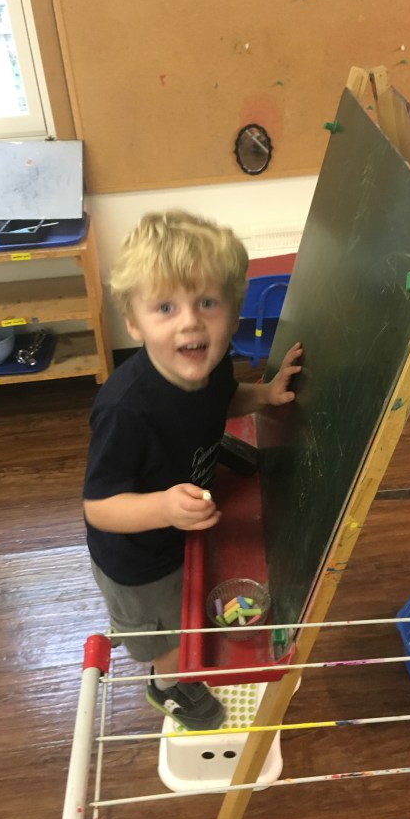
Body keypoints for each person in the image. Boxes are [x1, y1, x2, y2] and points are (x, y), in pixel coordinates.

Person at [83, 210, 302, 731]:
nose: (190, 322)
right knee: (170, 637)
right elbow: (99, 507)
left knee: (188, 605)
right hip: (139, 560)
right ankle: (169, 687)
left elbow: (222, 398)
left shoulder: (212, 362)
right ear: (133, 322)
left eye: (207, 303)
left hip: (180, 515)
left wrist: (263, 395)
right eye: (165, 307)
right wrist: (164, 507)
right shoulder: (126, 409)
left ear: (233, 311)